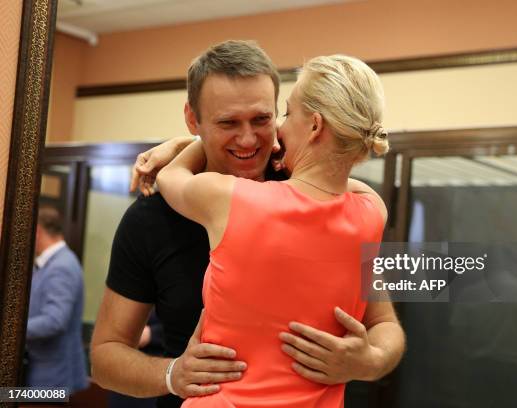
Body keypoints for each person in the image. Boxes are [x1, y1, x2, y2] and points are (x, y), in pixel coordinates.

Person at [90, 41, 404, 408]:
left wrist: (372, 360)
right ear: (194, 119)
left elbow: (385, 323)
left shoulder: (323, 199)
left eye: (263, 119)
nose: (247, 139)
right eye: (227, 123)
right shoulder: (149, 220)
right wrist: (173, 375)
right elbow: (104, 357)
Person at [25, 205, 88, 394]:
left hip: (52, 376)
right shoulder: (54, 263)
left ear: (36, 232)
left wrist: (11, 330)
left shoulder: (61, 266)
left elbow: (55, 320)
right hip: (44, 370)